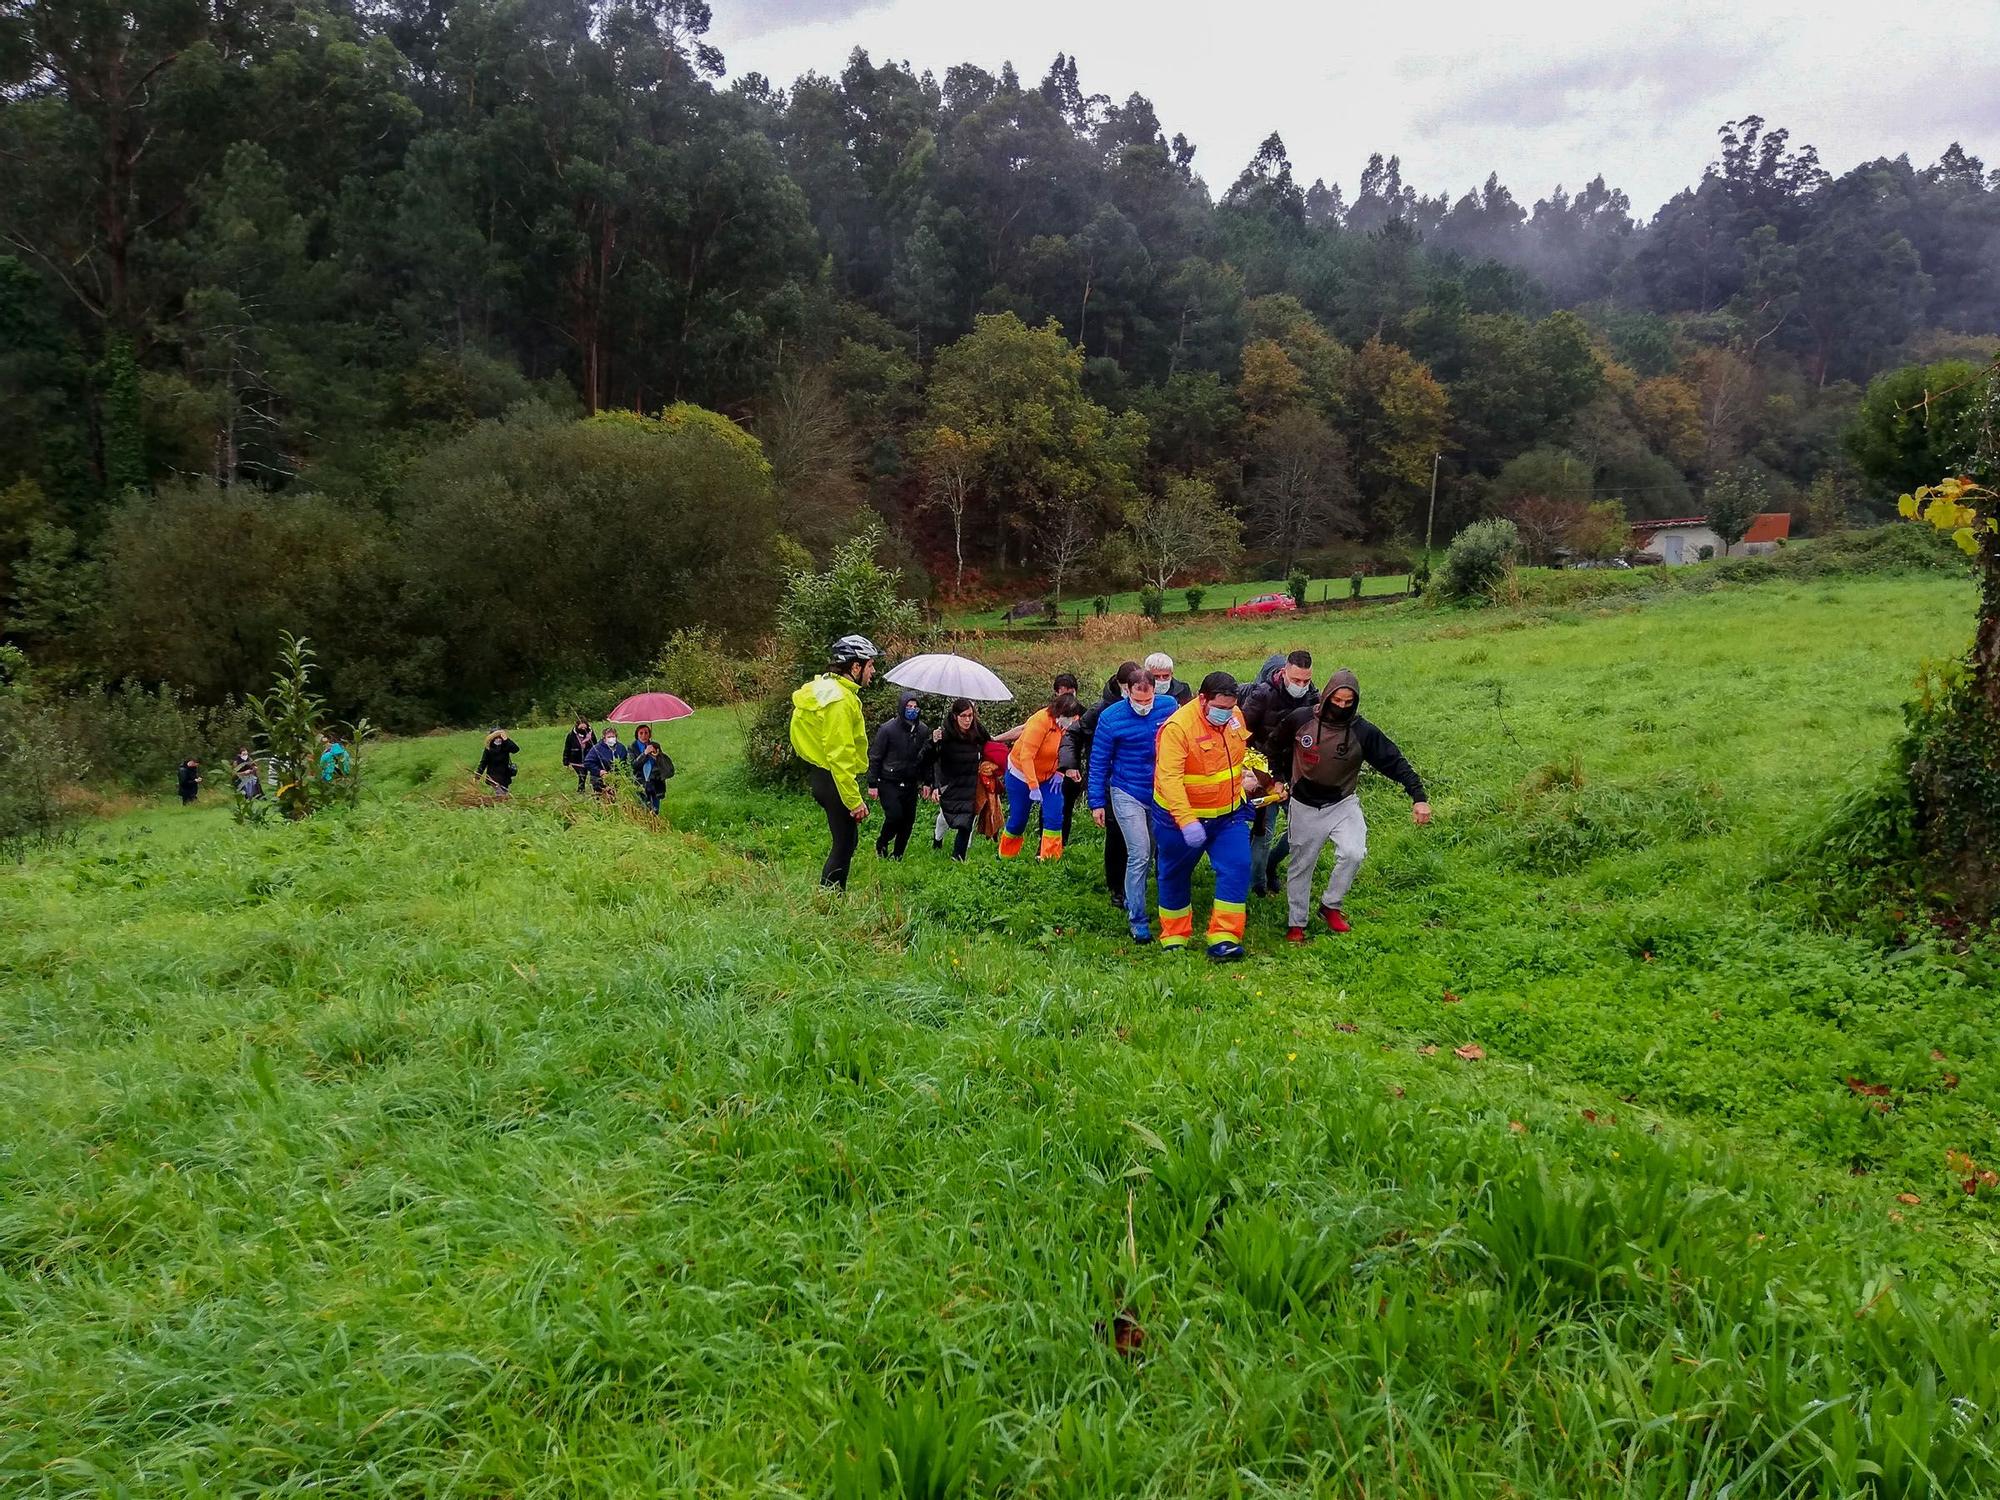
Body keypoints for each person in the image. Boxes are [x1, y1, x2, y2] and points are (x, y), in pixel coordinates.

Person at [1278, 668, 1431, 942]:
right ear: (1326, 697)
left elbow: (1393, 760)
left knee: (1354, 852)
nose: (1342, 707)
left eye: (1348, 703)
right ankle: (1296, 924)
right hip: (1303, 805)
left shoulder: (1362, 731)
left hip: (1342, 803)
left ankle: (1330, 905)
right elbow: (1274, 747)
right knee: (1302, 864)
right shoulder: (1301, 720)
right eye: (1337, 701)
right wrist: (1276, 780)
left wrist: (1418, 796)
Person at [1152, 671, 1254, 962]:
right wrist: (1186, 821)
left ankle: (1224, 937)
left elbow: (1234, 759)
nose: (1226, 713)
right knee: (1174, 873)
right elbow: (1169, 779)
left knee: (1237, 866)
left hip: (1227, 815)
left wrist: (1246, 779)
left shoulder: (1235, 717)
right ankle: (1174, 935)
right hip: (1179, 820)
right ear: (1202, 699)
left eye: (1230, 707)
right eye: (1220, 707)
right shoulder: (1178, 728)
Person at [789, 634, 878, 890]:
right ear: (855, 667)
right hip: (832, 778)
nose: (873, 671)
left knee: (845, 841)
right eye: (870, 665)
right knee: (845, 843)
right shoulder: (839, 700)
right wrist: (854, 800)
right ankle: (830, 900)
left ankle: (830, 896)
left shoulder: (827, 687)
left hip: (822, 775)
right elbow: (839, 755)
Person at [1088, 661, 1166, 942]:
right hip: (1126, 790)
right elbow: (1098, 761)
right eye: (1137, 699)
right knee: (1140, 853)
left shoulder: (1169, 707)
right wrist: (1097, 801)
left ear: (1155, 692)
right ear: (1127, 692)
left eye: (1148, 700)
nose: (1143, 705)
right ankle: (1138, 918)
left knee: (1157, 850)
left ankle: (1155, 902)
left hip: (1158, 791)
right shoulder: (1111, 717)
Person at [1241, 649, 1315, 896]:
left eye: (1305, 681)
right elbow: (1241, 734)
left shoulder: (1313, 698)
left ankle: (1272, 864)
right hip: (1264, 771)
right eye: (1296, 680)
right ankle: (1257, 885)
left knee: (1303, 830)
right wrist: (1258, 774)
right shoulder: (1262, 694)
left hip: (1296, 774)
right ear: (1284, 672)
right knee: (1264, 831)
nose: (1301, 686)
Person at [1001, 690, 1082, 859]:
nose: (1072, 722)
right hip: (1021, 776)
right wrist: (1033, 786)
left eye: (1074, 718)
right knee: (1018, 820)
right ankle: (1006, 857)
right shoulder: (1039, 722)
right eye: (1069, 718)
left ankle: (1049, 859)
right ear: (1059, 713)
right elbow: (1026, 756)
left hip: (1050, 777)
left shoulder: (1071, 724)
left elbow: (1068, 749)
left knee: (1054, 816)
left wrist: (1061, 772)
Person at [868, 692, 930, 859]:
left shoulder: (923, 730)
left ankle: (898, 855)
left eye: (915, 707)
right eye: (909, 706)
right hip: (889, 781)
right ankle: (882, 842)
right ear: (902, 707)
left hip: (910, 783)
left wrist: (927, 782)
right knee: (894, 816)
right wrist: (872, 783)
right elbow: (876, 756)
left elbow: (926, 759)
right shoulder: (887, 729)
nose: (912, 710)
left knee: (907, 822)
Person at [928, 698, 988, 860]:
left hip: (970, 785)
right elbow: (930, 759)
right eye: (964, 716)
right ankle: (937, 838)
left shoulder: (978, 731)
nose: (968, 720)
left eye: (970, 715)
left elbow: (989, 746)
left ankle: (958, 857)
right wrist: (933, 742)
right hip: (950, 784)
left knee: (967, 820)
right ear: (955, 716)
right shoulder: (944, 734)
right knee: (945, 817)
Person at [629, 724, 673, 815]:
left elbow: (662, 764)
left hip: (655, 782)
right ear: (637, 735)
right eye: (641, 733)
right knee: (642, 809)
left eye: (646, 733)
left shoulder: (655, 745)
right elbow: (634, 765)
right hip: (640, 782)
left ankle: (655, 825)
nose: (644, 736)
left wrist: (656, 756)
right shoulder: (632, 747)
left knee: (655, 810)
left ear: (650, 734)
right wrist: (645, 754)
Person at [581, 726, 627, 799]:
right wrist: (600, 771)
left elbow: (625, 762)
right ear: (604, 738)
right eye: (609, 737)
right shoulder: (597, 748)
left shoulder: (621, 748)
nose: (611, 738)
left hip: (617, 780)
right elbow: (588, 762)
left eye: (613, 736)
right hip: (600, 780)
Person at [477, 727, 521, 797]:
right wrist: (478, 775)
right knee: (500, 794)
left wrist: (507, 740)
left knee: (505, 792)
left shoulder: (505, 745)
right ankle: (500, 803)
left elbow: (516, 749)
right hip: (493, 776)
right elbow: (483, 762)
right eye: (496, 737)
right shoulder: (489, 748)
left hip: (505, 775)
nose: (498, 739)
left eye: (499, 737)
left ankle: (501, 803)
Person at [562, 718, 598, 793]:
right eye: (581, 728)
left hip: (589, 758)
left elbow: (596, 746)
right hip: (576, 760)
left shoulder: (591, 735)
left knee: (593, 774)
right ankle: (581, 790)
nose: (583, 729)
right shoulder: (571, 735)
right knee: (582, 775)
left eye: (584, 727)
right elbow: (567, 748)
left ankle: (596, 788)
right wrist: (565, 760)